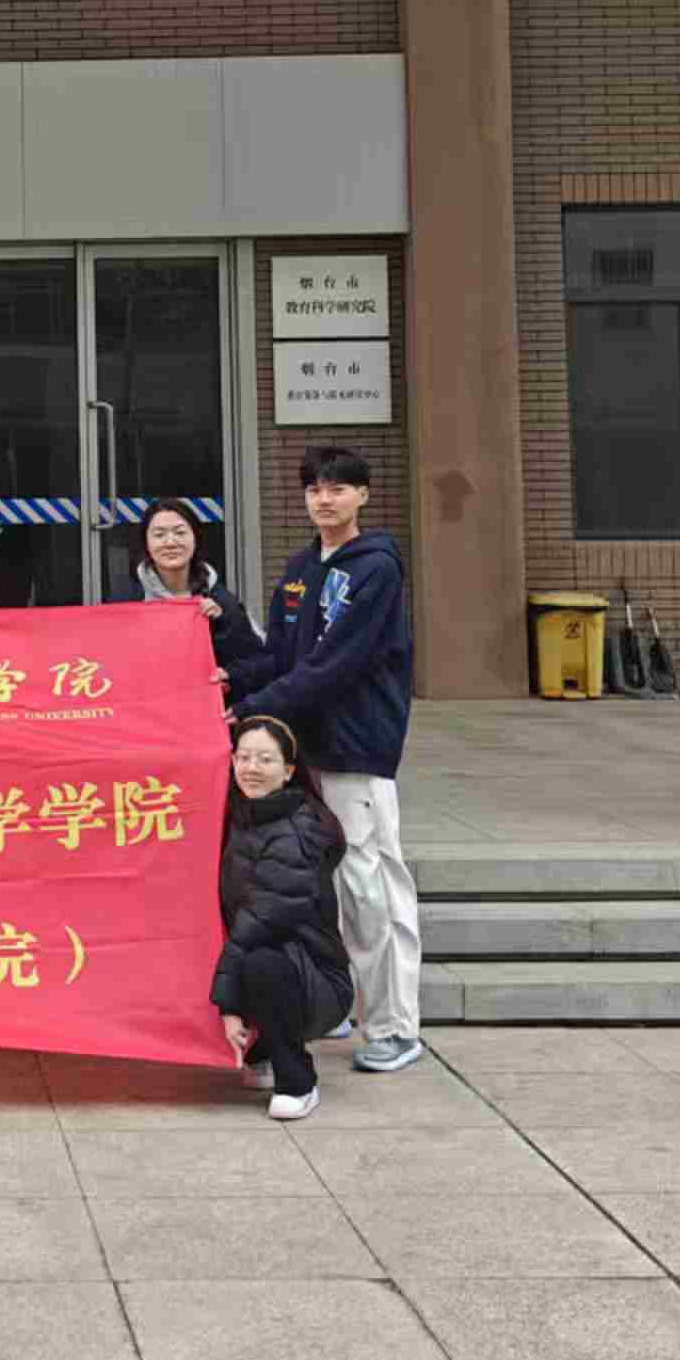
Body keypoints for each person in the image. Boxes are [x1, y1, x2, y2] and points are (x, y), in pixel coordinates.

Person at [227, 445, 423, 1075]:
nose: (325, 499)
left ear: (363, 495)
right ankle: (336, 1001)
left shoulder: (376, 570)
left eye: (338, 488)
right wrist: (226, 679)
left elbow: (334, 665)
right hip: (303, 752)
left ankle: (394, 1026)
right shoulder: (301, 568)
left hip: (355, 750)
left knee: (370, 887)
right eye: (314, 489)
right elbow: (281, 657)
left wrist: (252, 706)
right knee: (319, 889)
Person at [212, 716, 352, 1120]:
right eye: (243, 757)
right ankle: (265, 1051)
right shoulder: (241, 813)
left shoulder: (297, 833)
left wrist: (228, 1006)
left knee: (260, 963)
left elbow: (257, 926)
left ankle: (297, 1081)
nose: (251, 768)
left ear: (289, 771)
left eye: (265, 759)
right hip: (278, 957)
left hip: (316, 982)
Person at [108, 498, 266, 682]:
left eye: (180, 532)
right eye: (159, 535)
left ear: (195, 539)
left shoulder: (222, 602)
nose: (170, 542)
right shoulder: (125, 602)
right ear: (146, 544)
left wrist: (223, 626)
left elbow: (258, 664)